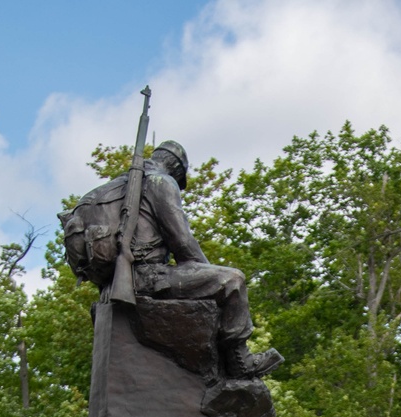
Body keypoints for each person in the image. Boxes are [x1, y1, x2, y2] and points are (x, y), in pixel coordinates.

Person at [64, 139, 280, 379]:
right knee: (232, 281)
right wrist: (208, 278)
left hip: (110, 285)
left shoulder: (98, 194)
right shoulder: (161, 182)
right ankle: (240, 360)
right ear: (176, 170)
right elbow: (184, 246)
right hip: (149, 279)